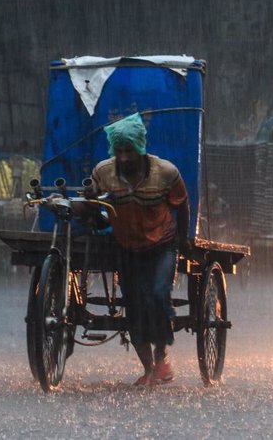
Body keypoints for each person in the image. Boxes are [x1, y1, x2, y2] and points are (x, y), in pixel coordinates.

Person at [88, 113, 190, 386]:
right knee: (133, 305)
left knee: (158, 294)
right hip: (127, 246)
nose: (123, 158)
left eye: (129, 151)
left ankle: (161, 358)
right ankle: (148, 369)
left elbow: (182, 205)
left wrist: (184, 241)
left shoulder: (166, 172)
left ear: (140, 148)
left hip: (162, 245)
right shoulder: (103, 173)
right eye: (119, 151)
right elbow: (93, 206)